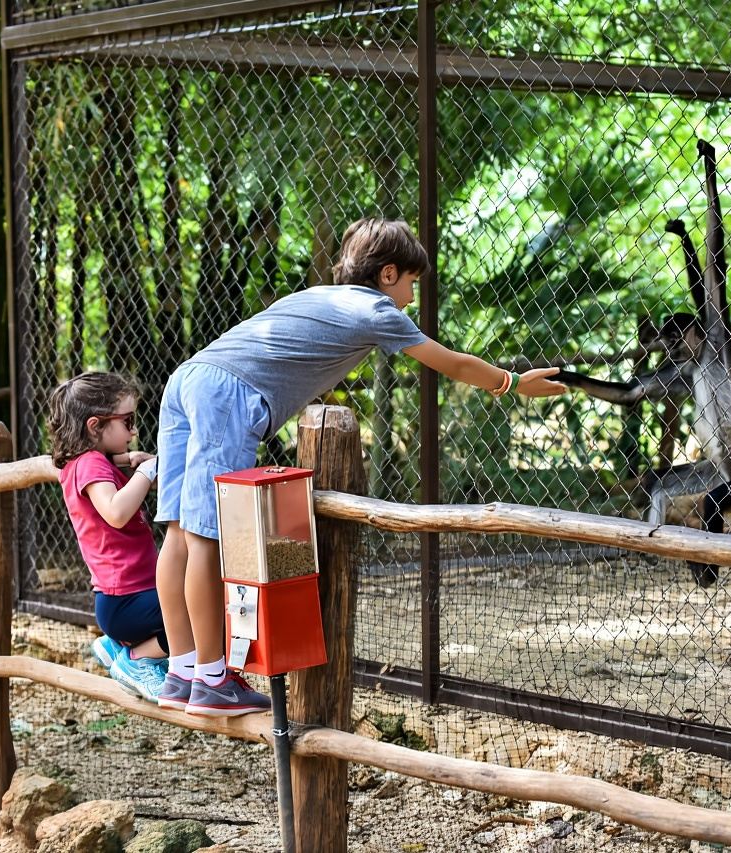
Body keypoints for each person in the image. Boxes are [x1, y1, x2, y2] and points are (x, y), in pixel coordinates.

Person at [155, 217, 567, 716]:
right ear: (388, 273)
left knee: (179, 530)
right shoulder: (375, 309)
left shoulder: (316, 297)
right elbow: (452, 363)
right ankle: (213, 681)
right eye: (412, 283)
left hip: (189, 378)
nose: (412, 298)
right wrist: (513, 382)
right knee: (205, 535)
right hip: (228, 393)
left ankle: (181, 672)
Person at [47, 372, 169, 700]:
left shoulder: (88, 462)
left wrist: (130, 463)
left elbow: (112, 476)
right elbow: (115, 511)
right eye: (127, 421)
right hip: (125, 601)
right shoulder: (90, 466)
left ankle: (120, 648)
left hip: (125, 600)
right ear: (95, 426)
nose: (134, 430)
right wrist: (145, 472)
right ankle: (137, 658)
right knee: (206, 611)